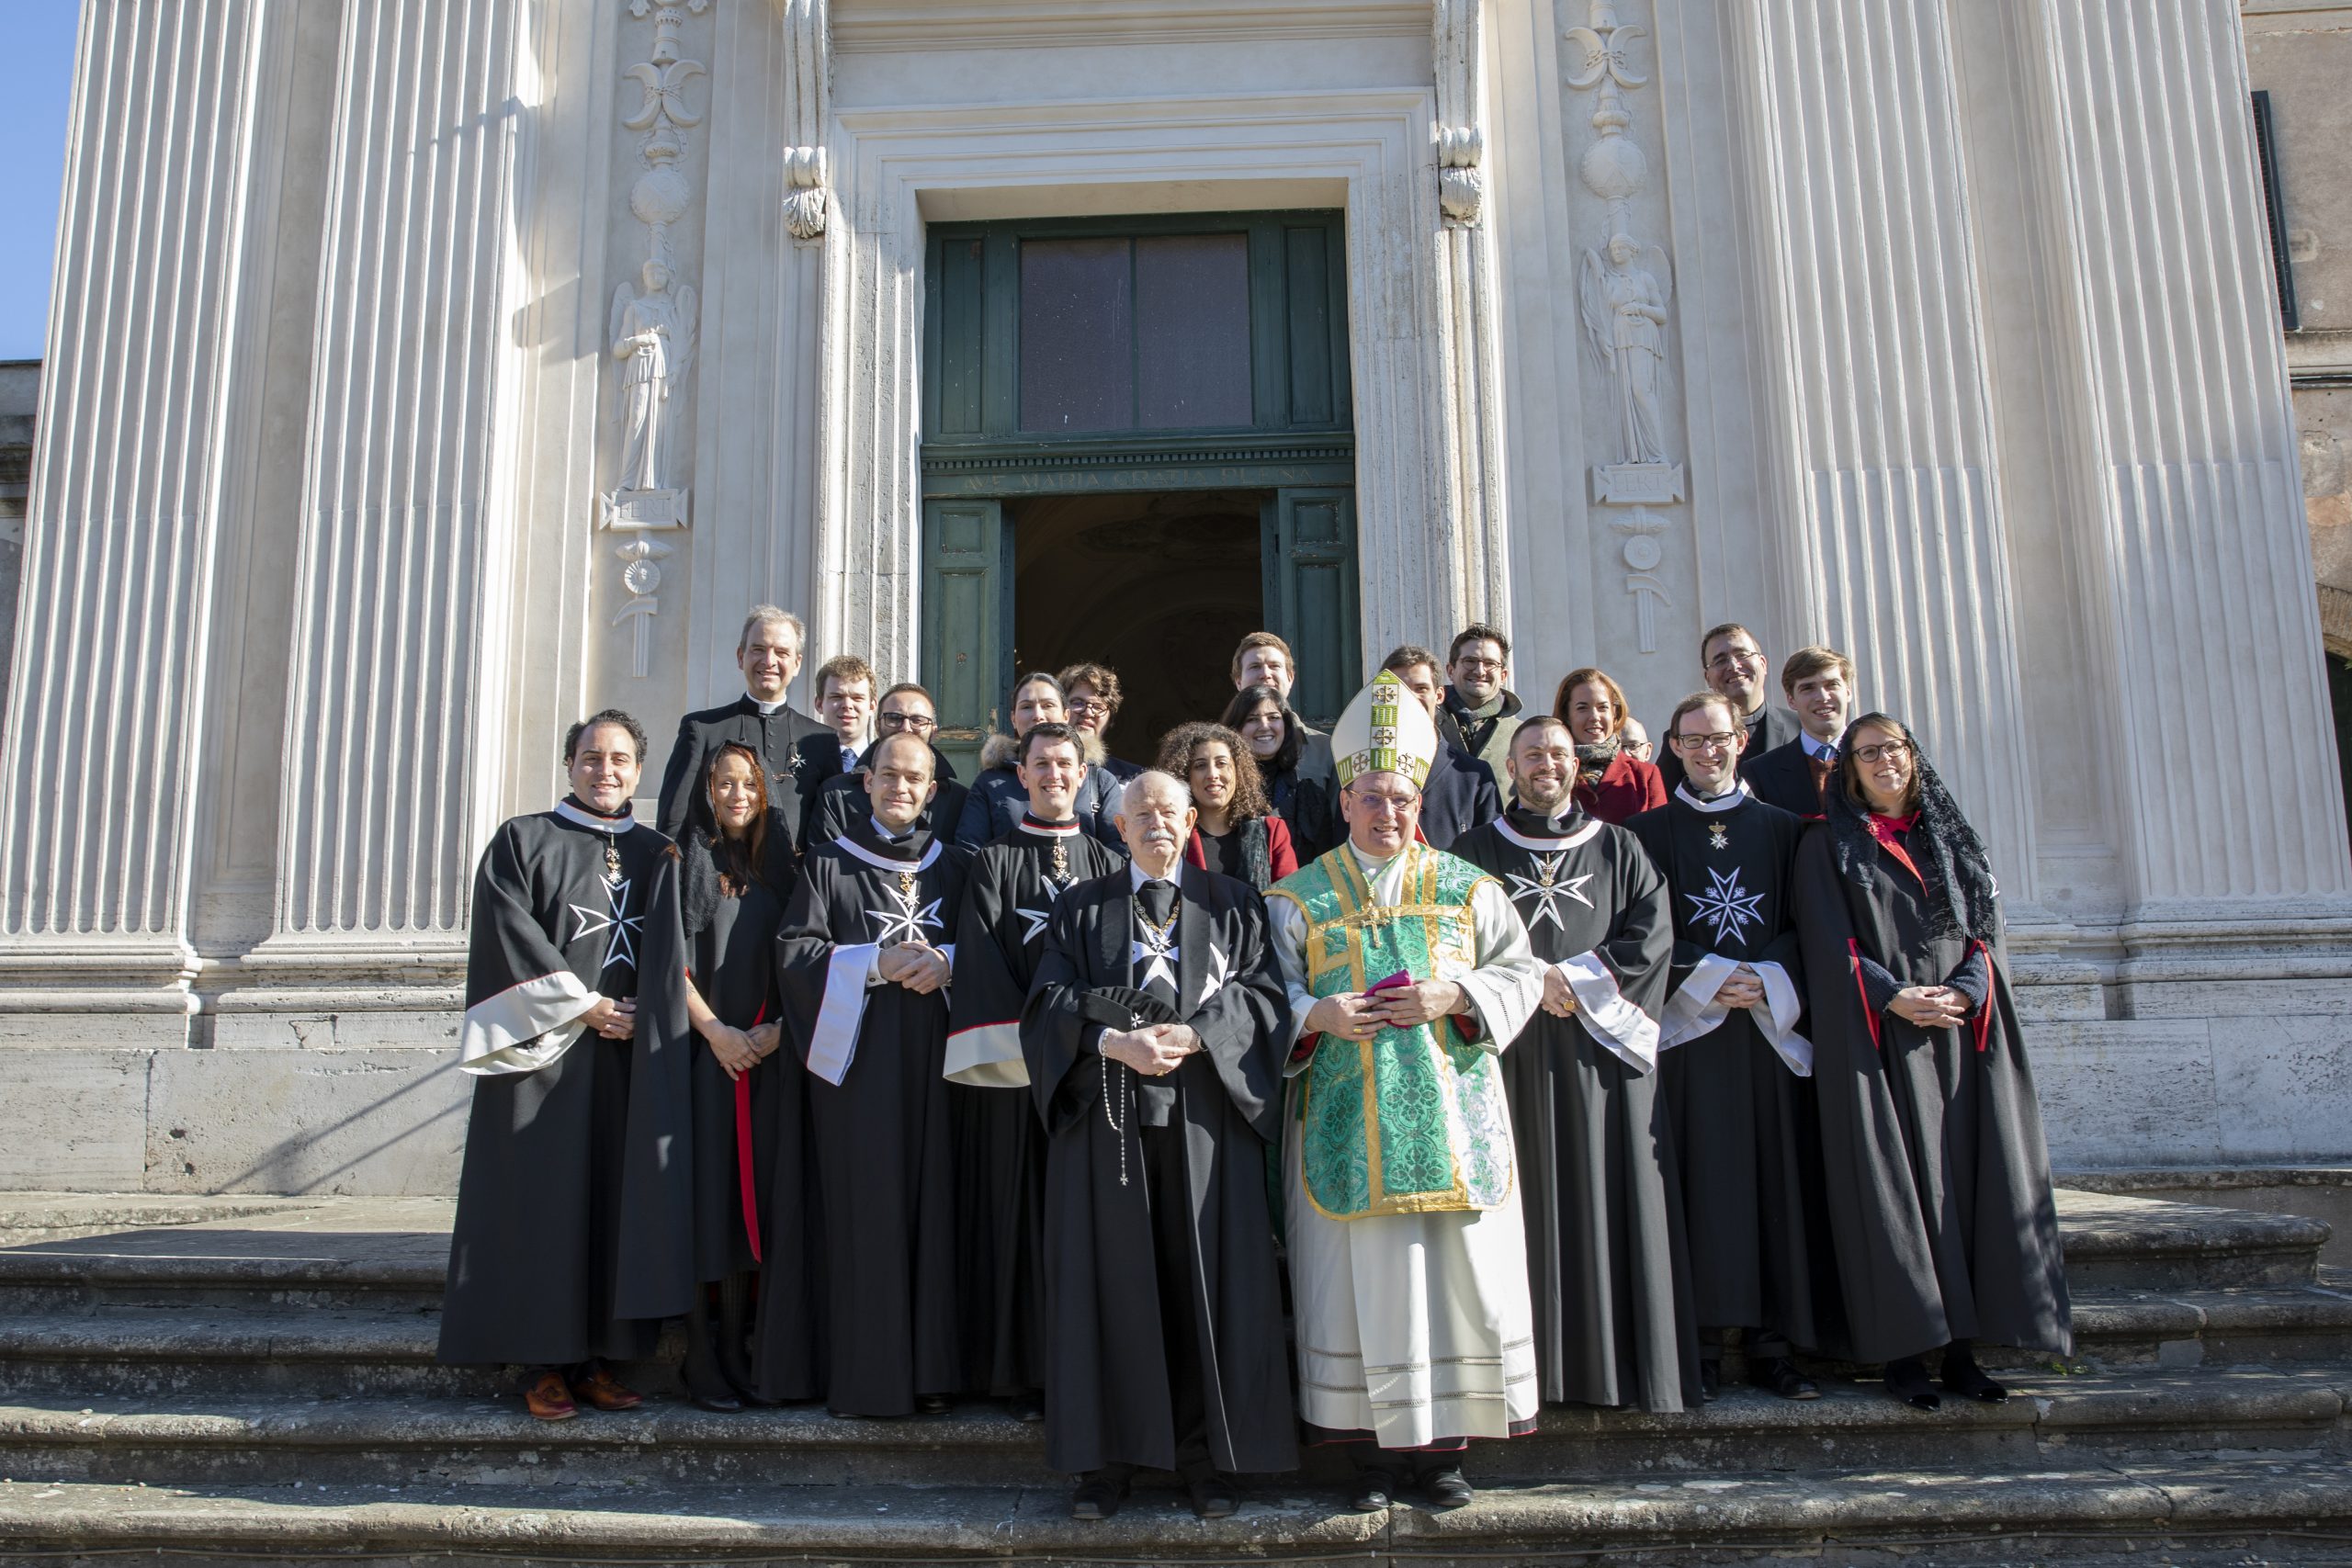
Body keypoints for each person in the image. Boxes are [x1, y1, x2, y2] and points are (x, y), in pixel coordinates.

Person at [1266, 671, 1547, 1514]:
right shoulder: (1298, 898)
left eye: (1401, 797)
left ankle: (1443, 1456)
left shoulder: (1470, 888)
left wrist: (1455, 996)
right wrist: (1314, 1010)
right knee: (1359, 1290)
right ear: (1344, 798)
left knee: (1453, 1283)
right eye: (1371, 797)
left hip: (1454, 1123)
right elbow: (1262, 995)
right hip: (1345, 1122)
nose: (1387, 812)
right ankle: (1371, 1460)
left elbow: (1523, 971)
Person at [1023, 770, 1296, 1521]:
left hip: (1207, 1123)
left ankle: (1209, 1460)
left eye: (1169, 811)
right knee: (1110, 1287)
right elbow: (1045, 1004)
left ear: (1190, 818)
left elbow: (1265, 997)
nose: (1157, 823)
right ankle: (1105, 1463)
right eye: (1140, 812)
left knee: (1203, 1289)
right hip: (1107, 1123)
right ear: (1117, 825)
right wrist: (1113, 1042)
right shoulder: (1079, 908)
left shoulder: (1235, 903)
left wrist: (1198, 1035)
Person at [1791, 713, 2071, 1410]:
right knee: (1898, 1189)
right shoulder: (1826, 844)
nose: (1884, 761)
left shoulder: (1953, 839)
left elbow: (1985, 931)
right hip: (1881, 1042)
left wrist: (1968, 989)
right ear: (1848, 769)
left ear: (1913, 758)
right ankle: (1905, 1354)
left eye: (1894, 748)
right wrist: (1892, 997)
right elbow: (1830, 942)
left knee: (1965, 1186)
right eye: (1868, 752)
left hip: (1959, 1037)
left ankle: (1963, 1352)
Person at [440, 710, 695, 1422]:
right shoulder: (523, 840)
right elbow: (507, 934)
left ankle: (599, 1360)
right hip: (546, 1060)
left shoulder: (655, 851)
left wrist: (652, 1012)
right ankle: (545, 1363)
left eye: (619, 760)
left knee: (614, 1204)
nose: (605, 771)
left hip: (627, 1059)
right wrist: (583, 1006)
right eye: (591, 757)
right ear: (570, 763)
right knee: (546, 1207)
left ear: (639, 772)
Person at [1451, 716, 1697, 1415]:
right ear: (1513, 765)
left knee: (1609, 1193)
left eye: (1558, 753)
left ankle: (1618, 1369)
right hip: (1509, 1056)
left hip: (1601, 1054)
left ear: (1575, 765)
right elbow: (1450, 940)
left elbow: (1652, 936)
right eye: (1532, 754)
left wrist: (1575, 983)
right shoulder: (1471, 852)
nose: (1546, 765)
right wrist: (1531, 984)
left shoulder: (1622, 848)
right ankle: (1518, 1377)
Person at [1627, 694, 1838, 1403]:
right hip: (1691, 1036)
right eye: (1693, 741)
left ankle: (1776, 1347)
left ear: (1741, 740)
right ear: (1674, 746)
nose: (1707, 751)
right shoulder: (1645, 835)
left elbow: (1805, 923)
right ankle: (1704, 1347)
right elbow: (1644, 931)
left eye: (1719, 738)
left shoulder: (1786, 830)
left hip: (1767, 1033)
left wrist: (1767, 974)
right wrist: (1711, 976)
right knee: (1701, 1187)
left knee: (1775, 1181)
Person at [758, 731, 968, 1416]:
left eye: (914, 779)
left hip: (943, 1072)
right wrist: (874, 965)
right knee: (869, 1212)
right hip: (860, 1074)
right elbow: (796, 955)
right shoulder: (827, 866)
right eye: (888, 776)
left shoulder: (958, 867)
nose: (900, 788)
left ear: (933, 790)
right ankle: (869, 1375)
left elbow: (992, 952)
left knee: (939, 1207)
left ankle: (934, 1371)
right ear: (866, 782)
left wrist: (949, 962)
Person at [943, 722, 1126, 1424]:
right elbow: (984, 964)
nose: (1053, 773)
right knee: (1019, 1220)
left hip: (1089, 1075)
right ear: (1019, 775)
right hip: (1015, 1076)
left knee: (1089, 1222)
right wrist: (1030, 1056)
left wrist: (1085, 1047)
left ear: (1084, 775)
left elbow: (1120, 969)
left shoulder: (1112, 860)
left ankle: (1093, 1366)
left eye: (1064, 764)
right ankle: (1023, 1372)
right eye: (1040, 763)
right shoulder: (991, 861)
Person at [675, 743, 795, 1413]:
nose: (738, 793)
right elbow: (670, 965)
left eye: (748, 782)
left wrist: (773, 1033)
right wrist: (718, 1034)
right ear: (707, 790)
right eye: (725, 782)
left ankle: (739, 1348)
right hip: (709, 1059)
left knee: (757, 1211)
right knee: (709, 1207)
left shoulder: (779, 874)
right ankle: (701, 1356)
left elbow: (801, 961)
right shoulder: (683, 867)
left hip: (766, 1060)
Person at [655, 607, 830, 847]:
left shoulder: (822, 740)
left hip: (797, 881)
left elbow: (829, 832)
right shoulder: (702, 730)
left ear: (797, 663)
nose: (769, 661)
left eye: (781, 652)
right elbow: (673, 824)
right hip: (718, 877)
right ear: (741, 657)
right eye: (758, 649)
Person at [956, 672, 1122, 848]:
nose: (1037, 715)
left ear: (1066, 715)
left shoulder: (1099, 782)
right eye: (1027, 707)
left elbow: (1119, 852)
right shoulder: (989, 783)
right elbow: (970, 850)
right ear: (1013, 718)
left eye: (1048, 705)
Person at [805, 682, 969, 849]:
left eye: (917, 720)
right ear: (877, 726)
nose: (906, 728)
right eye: (894, 718)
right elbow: (825, 864)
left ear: (933, 732)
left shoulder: (958, 800)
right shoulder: (836, 794)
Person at [1379, 646, 1504, 850]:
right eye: (1399, 688)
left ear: (1439, 695)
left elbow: (1491, 856)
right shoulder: (1359, 772)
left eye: (1421, 688)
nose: (1411, 697)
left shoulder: (1475, 777)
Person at [1655, 623, 1802, 795]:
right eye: (1720, 660)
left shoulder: (1799, 728)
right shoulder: (1686, 739)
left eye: (1742, 654)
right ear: (1707, 678)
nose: (1733, 665)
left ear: (1763, 664)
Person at [1157, 721, 1299, 891]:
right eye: (1200, 766)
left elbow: (1289, 901)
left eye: (1221, 764)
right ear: (1184, 775)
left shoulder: (1271, 832)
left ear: (1238, 770)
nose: (1212, 774)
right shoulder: (1171, 835)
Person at [1220, 682, 1332, 857]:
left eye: (1273, 717)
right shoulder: (1220, 788)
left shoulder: (1310, 796)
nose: (1265, 726)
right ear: (1235, 729)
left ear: (1286, 726)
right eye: (1252, 719)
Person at [1746, 647, 1854, 818]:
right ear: (1791, 700)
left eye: (1832, 684)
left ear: (1848, 692)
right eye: (1808, 688)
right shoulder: (1761, 772)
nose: (1822, 697)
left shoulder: (1880, 759)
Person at [1555, 666, 1666, 825]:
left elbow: (1658, 841)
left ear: (1614, 713)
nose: (1594, 717)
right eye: (1582, 708)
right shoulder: (1553, 772)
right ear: (1567, 715)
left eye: (1603, 708)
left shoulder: (1644, 775)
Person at [786, 654, 879, 841]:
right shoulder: (795, 761)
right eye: (837, 697)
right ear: (819, 704)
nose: (847, 706)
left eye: (857, 698)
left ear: (872, 705)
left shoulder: (884, 764)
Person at [1441, 623, 1523, 782]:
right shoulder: (1427, 725)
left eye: (1490, 664)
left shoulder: (1521, 734)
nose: (1480, 671)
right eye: (1470, 661)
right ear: (1451, 671)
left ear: (1503, 676)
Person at [1060, 662, 1142, 784]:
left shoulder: (1133, 779)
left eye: (1098, 707)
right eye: (1078, 703)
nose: (1088, 712)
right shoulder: (1029, 766)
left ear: (1111, 720)